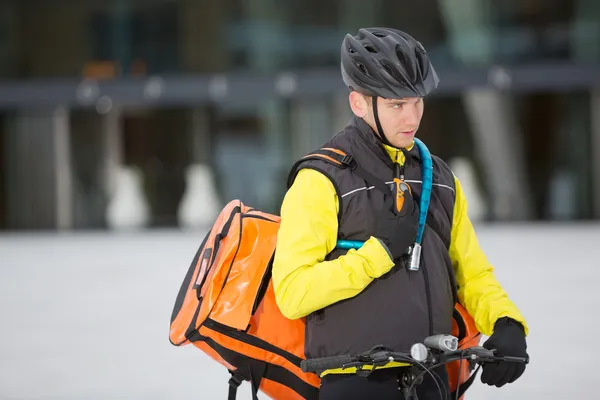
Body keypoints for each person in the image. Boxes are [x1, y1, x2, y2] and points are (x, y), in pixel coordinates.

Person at [272, 27, 529, 399]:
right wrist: (378, 252)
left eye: (417, 102)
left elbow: (472, 274)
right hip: (355, 383)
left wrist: (507, 322)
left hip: (433, 378)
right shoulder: (321, 179)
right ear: (359, 103)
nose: (411, 117)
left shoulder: (440, 179)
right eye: (396, 105)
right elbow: (293, 292)